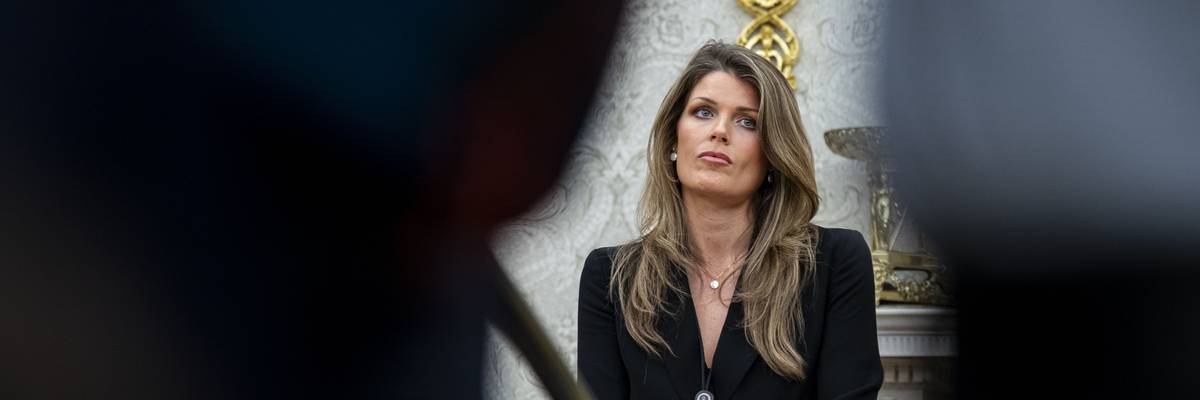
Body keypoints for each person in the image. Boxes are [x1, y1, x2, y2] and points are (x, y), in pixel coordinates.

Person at [577, 42, 882, 400]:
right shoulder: (611, 276)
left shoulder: (834, 262)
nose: (720, 131)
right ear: (674, 138)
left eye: (747, 121)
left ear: (772, 153)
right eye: (703, 112)